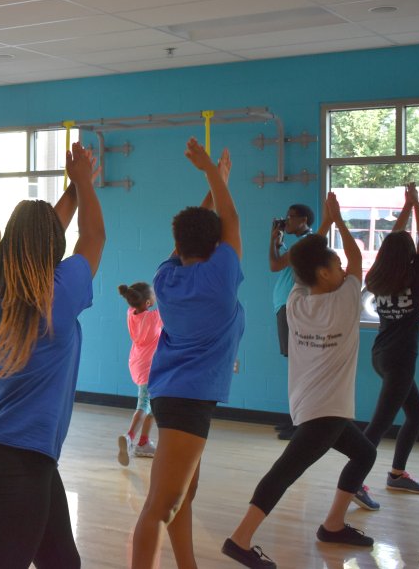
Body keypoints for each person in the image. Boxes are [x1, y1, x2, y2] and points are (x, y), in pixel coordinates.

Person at [0, 141, 104, 569]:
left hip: (1, 455)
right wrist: (81, 182)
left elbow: (39, 240)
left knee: (62, 562)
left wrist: (76, 188)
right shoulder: (60, 293)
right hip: (17, 465)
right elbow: (93, 236)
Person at [222, 193, 377, 568]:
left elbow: (327, 264)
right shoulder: (345, 303)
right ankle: (239, 540)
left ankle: (333, 525)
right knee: (285, 472)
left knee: (365, 453)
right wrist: (337, 221)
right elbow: (357, 260)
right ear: (324, 273)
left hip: (313, 406)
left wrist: (327, 227)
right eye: (335, 264)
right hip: (326, 413)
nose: (343, 267)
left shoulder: (295, 301)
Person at [131, 140, 242, 569]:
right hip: (188, 398)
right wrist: (214, 175)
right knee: (161, 504)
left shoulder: (166, 277)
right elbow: (226, 220)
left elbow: (206, 227)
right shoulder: (221, 276)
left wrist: (216, 183)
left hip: (172, 392)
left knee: (183, 494)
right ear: (215, 246)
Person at [354, 183, 419, 512]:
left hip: (381, 355)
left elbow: (397, 242)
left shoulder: (377, 277)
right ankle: (353, 482)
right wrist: (416, 206)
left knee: (417, 413)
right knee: (378, 426)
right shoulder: (415, 279)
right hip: (400, 361)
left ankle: (397, 474)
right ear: (410, 257)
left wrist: (407, 208)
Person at [268, 204, 314, 441]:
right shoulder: (300, 243)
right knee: (295, 365)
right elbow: (282, 263)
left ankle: (301, 423)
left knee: (299, 366)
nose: (286, 221)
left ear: (303, 219)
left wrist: (271, 240)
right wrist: (277, 240)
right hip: (285, 305)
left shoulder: (307, 241)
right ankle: (296, 419)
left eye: (290, 217)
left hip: (291, 307)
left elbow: (274, 265)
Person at [116, 281, 162, 466]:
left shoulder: (131, 314)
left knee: (153, 404)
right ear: (149, 302)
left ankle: (143, 442)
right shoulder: (154, 318)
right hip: (149, 367)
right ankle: (129, 438)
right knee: (144, 404)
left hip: (137, 362)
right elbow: (171, 308)